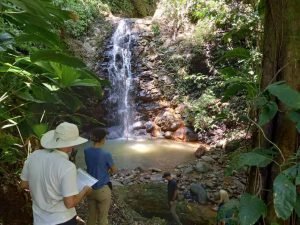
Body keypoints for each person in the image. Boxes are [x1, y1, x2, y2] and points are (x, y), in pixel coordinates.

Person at [20, 122, 92, 225]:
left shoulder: (34, 156)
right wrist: (85, 190)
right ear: (72, 146)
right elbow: (69, 203)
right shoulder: (67, 167)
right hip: (62, 220)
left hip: (39, 220)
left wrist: (41, 187)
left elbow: (23, 185)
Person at [84, 128, 117, 225]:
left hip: (90, 188)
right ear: (102, 139)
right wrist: (108, 170)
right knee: (103, 218)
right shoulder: (106, 154)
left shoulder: (86, 151)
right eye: (105, 138)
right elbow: (114, 170)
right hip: (103, 188)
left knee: (91, 217)